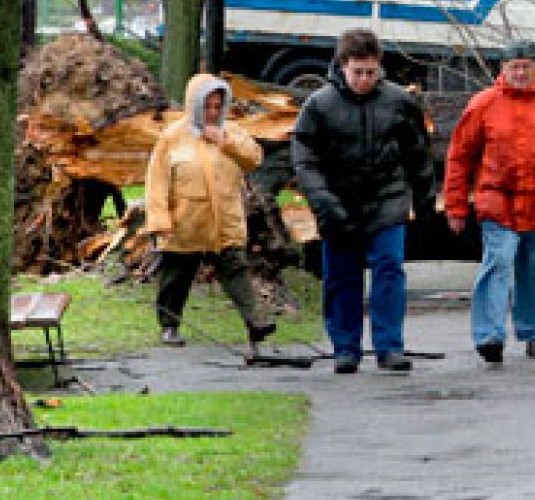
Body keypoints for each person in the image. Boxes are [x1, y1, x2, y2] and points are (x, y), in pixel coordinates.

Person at [292, 28, 435, 373]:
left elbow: (418, 154)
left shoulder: (399, 102)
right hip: (338, 203)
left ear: (379, 67)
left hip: (388, 200)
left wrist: (425, 199)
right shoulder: (319, 105)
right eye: (358, 72)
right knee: (342, 276)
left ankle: (389, 346)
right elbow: (305, 160)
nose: (364, 79)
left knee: (388, 270)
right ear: (342, 66)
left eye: (371, 72)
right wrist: (323, 202)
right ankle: (346, 347)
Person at [443, 39, 535, 365]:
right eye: (514, 67)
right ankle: (490, 335)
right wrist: (455, 206)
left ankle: (533, 333)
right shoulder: (483, 104)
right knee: (498, 261)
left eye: (526, 66)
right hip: (498, 200)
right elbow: (459, 158)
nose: (520, 72)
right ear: (503, 69)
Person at [145, 73, 276, 350]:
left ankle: (255, 322)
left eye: (218, 106)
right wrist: (159, 221)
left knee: (236, 270)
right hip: (185, 222)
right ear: (194, 105)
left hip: (224, 221)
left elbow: (254, 158)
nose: (213, 112)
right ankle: (169, 325)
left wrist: (225, 140)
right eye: (207, 106)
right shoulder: (172, 137)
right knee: (176, 277)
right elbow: (156, 182)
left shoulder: (232, 132)